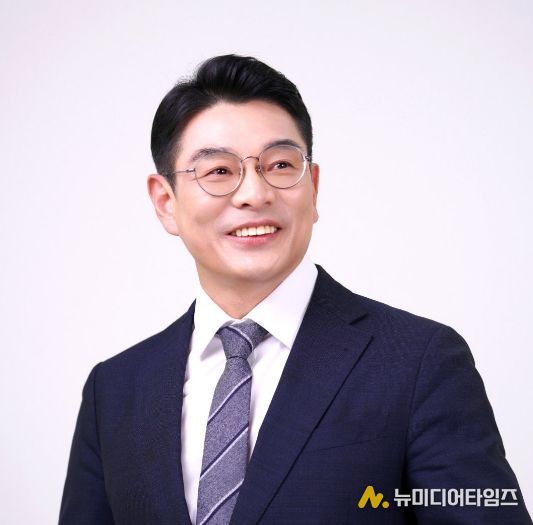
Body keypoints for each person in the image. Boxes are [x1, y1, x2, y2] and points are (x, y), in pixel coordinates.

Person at [59, 54, 532, 524]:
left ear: (313, 186)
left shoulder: (418, 362)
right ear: (166, 202)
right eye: (218, 171)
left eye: (281, 165)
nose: (254, 194)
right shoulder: (115, 391)